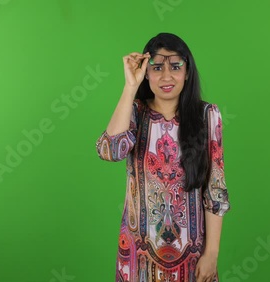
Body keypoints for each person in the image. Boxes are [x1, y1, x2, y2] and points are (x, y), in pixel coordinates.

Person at [96, 32, 231, 282]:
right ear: (146, 73)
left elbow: (216, 191)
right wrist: (130, 86)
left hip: (193, 257)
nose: (166, 76)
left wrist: (211, 253)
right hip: (138, 257)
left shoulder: (207, 116)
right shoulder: (135, 112)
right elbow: (110, 150)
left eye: (175, 67)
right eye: (157, 67)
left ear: (187, 72)